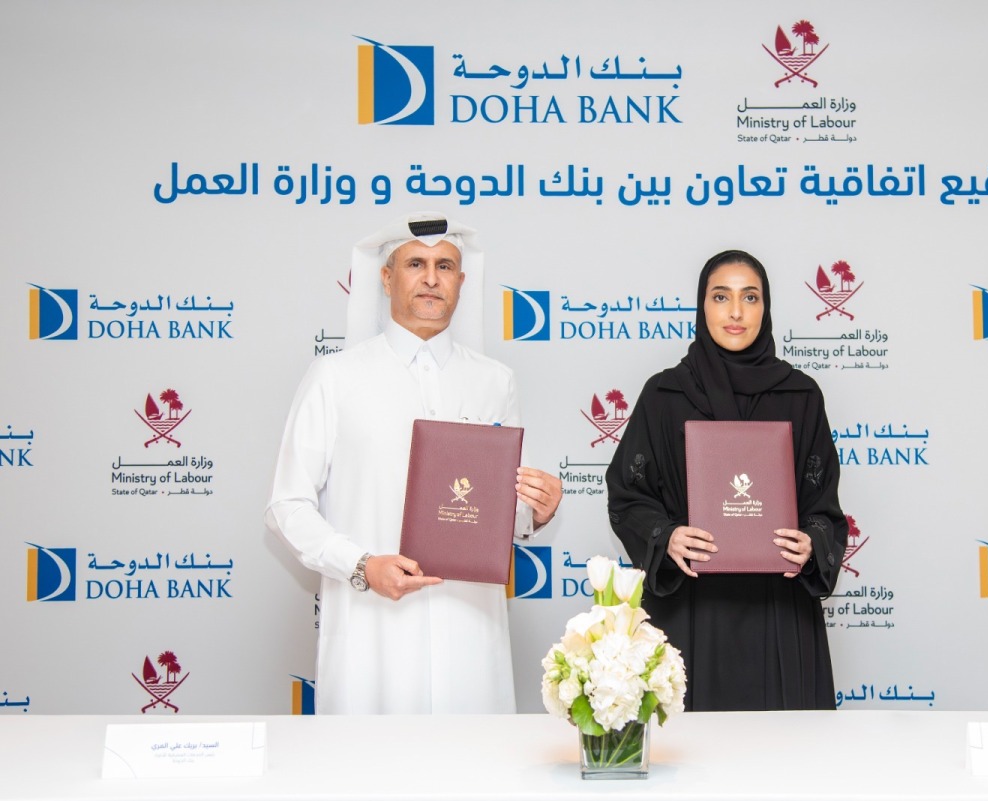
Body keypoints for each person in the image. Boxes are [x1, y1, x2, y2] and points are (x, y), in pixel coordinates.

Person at [266, 213, 562, 714]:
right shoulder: (335, 377)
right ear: (386, 278)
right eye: (416, 264)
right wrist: (362, 567)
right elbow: (287, 506)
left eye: (445, 265)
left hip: (470, 628)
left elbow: (504, 514)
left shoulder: (495, 381)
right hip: (372, 629)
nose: (431, 278)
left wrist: (539, 508)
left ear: (462, 283)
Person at [606, 249, 847, 711]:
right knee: (690, 765)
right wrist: (668, 537)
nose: (735, 312)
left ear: (766, 308)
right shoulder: (664, 394)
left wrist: (813, 544)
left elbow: (825, 508)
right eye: (721, 297)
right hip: (691, 609)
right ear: (703, 307)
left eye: (749, 297)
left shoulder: (800, 395)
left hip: (780, 611)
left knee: (784, 761)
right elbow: (627, 496)